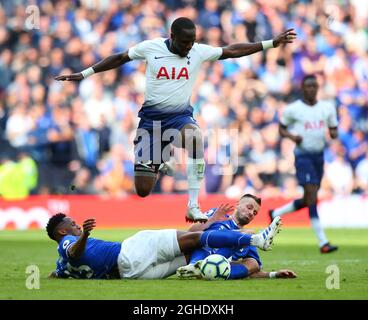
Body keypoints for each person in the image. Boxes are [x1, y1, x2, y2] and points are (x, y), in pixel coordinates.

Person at [55, 17, 297, 222]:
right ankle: (159, 161)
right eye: (184, 42)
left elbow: (232, 50)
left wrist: (270, 43)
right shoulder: (151, 48)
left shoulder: (197, 51)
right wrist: (85, 74)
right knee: (142, 190)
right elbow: (119, 57)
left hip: (180, 117)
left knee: (195, 137)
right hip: (151, 123)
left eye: (192, 41)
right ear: (172, 36)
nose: (189, 47)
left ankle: (193, 204)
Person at [46, 204, 282, 280]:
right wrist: (85, 235)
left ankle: (204, 268)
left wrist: (48, 277)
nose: (77, 225)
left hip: (129, 274)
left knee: (192, 255)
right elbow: (74, 253)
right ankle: (255, 238)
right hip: (130, 252)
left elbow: (58, 272)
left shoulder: (61, 268)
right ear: (61, 231)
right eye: (72, 223)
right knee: (195, 238)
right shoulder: (66, 242)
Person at [269, 74, 339, 254]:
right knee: (312, 196)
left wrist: (333, 133)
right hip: (303, 156)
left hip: (319, 156)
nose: (311, 89)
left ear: (317, 88)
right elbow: (281, 128)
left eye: (314, 86)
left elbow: (333, 129)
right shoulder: (293, 109)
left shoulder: (327, 108)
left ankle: (276, 213)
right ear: (302, 88)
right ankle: (323, 242)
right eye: (308, 86)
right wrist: (293, 137)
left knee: (309, 198)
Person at [177, 194, 297, 280]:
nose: (251, 213)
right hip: (200, 255)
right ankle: (195, 266)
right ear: (238, 205)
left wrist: (275, 274)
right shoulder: (218, 215)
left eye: (255, 213)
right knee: (204, 241)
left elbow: (253, 271)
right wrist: (211, 219)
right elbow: (189, 236)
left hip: (222, 267)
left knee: (253, 262)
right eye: (249, 208)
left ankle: (210, 272)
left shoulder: (248, 237)